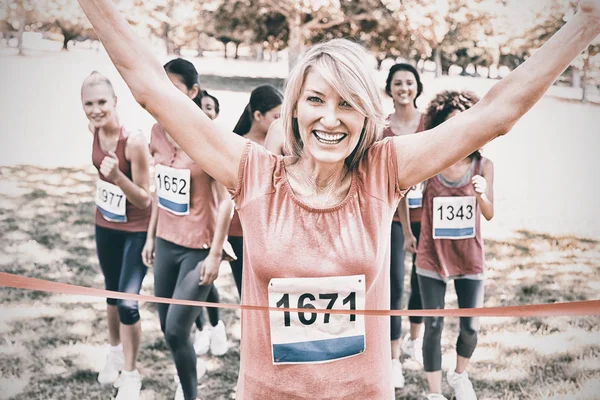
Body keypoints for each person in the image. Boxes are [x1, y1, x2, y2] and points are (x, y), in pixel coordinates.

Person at [74, 0, 600, 396]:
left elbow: (496, 113)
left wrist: (585, 24)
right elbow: (150, 87)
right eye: (317, 100)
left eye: (348, 104)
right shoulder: (253, 172)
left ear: (368, 115)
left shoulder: (383, 170)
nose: (331, 119)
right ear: (294, 108)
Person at [141, 58, 234, 400]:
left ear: (194, 92)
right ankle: (189, 370)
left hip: (199, 247)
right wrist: (150, 236)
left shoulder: (206, 136)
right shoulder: (155, 132)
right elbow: (161, 190)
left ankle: (190, 393)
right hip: (166, 242)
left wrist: (215, 254)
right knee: (168, 329)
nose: (165, 95)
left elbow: (227, 200)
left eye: (175, 88)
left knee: (178, 329)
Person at [415, 90, 493, 400]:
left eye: (464, 123)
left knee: (470, 327)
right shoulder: (429, 163)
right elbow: (407, 198)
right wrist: (408, 234)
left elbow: (489, 214)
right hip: (432, 256)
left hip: (468, 257)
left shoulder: (483, 165)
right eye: (450, 123)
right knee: (432, 325)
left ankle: (460, 375)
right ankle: (434, 393)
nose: (458, 129)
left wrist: (481, 194)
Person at [80, 71, 151, 400]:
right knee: (111, 295)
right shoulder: (94, 130)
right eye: (89, 103)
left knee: (127, 303)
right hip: (105, 222)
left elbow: (145, 199)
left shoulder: (133, 140)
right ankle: (114, 353)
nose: (95, 109)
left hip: (135, 229)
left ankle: (131, 373)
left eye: (101, 102)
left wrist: (119, 178)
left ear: (115, 102)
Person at [381, 63, 426, 388]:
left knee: (423, 284)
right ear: (390, 88)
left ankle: (414, 339)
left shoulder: (430, 123)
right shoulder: (382, 128)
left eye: (409, 82)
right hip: (394, 218)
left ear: (417, 86)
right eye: (398, 83)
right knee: (395, 285)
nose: (404, 88)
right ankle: (393, 358)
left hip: (429, 216)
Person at [228, 84, 283, 297]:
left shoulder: (283, 143)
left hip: (273, 230)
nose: (280, 123)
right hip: (240, 231)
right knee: (249, 295)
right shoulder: (238, 144)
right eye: (276, 116)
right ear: (258, 115)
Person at [191, 89, 229, 356]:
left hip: (209, 226)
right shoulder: (185, 142)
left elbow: (224, 198)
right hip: (185, 225)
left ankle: (215, 325)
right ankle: (202, 328)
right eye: (200, 106)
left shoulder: (217, 147)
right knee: (189, 284)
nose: (205, 111)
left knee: (204, 282)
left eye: (210, 108)